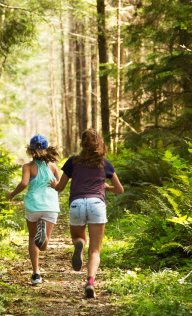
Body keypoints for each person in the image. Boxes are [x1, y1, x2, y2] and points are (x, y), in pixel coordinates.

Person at [51, 128, 123, 299]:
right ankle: (90, 282)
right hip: (97, 204)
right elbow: (120, 190)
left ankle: (79, 245)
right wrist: (107, 187)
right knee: (96, 250)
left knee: (78, 237)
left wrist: (53, 184)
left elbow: (60, 188)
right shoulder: (104, 164)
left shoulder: (72, 161)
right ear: (99, 143)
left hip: (77, 204)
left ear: (82, 144)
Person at [7, 134, 61, 285]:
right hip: (50, 206)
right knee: (43, 245)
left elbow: (24, 183)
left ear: (30, 150)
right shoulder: (52, 166)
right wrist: (54, 185)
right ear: (47, 149)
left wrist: (12, 194)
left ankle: (36, 274)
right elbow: (59, 185)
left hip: (33, 206)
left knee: (32, 238)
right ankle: (43, 235)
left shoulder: (28, 167)